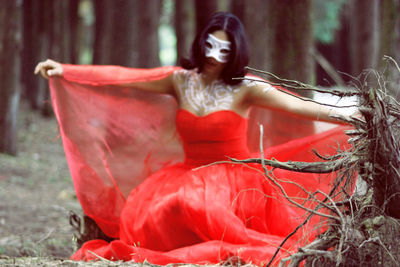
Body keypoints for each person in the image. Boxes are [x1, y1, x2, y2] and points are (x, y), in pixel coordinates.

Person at [35, 12, 353, 265]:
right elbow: (124, 77)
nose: (215, 55)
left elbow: (303, 106)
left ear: (236, 51)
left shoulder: (247, 87)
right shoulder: (179, 81)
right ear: (201, 44)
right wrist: (66, 70)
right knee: (155, 212)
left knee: (198, 205)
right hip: (186, 173)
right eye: (210, 45)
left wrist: (355, 114)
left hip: (237, 180)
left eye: (224, 49)